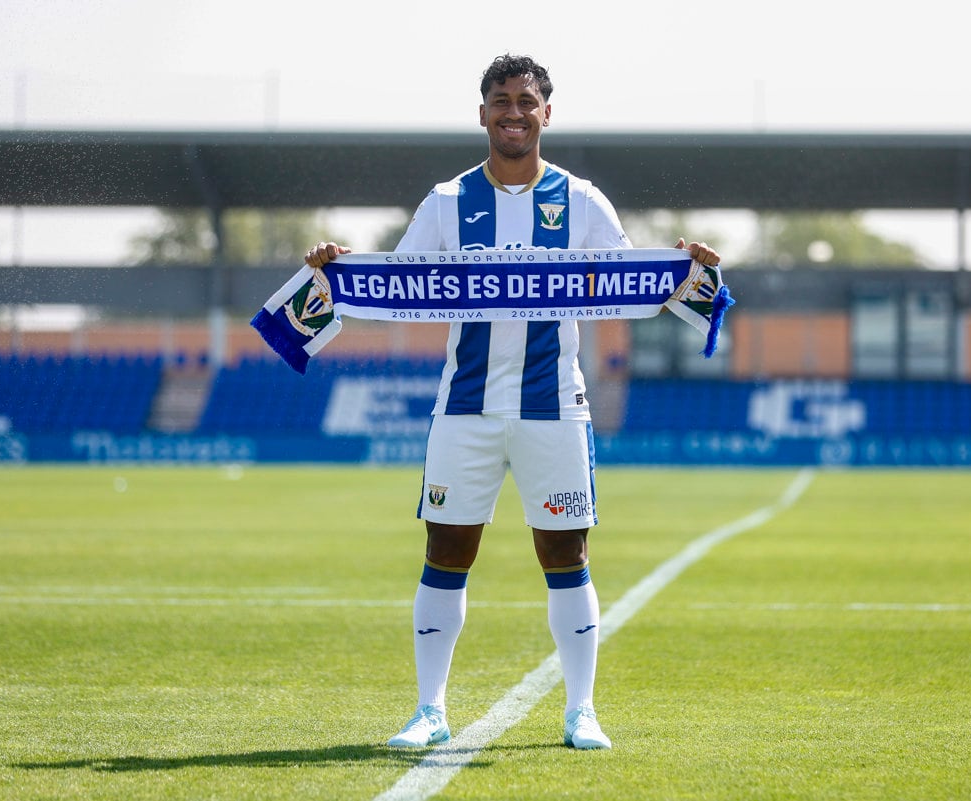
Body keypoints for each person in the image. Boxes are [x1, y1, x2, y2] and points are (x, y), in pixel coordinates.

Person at [305, 53, 721, 751]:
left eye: (527, 101)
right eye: (501, 100)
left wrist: (688, 272)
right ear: (482, 114)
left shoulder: (582, 201)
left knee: (566, 551)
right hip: (464, 406)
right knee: (447, 547)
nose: (514, 112)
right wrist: (337, 273)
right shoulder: (446, 202)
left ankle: (581, 709)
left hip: (553, 404)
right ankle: (428, 709)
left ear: (546, 114)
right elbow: (397, 289)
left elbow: (631, 283)